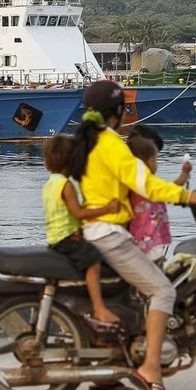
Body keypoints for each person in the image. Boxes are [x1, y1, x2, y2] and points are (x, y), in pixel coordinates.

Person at [72, 80, 196, 390]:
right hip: (109, 234)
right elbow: (149, 187)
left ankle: (109, 377)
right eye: (124, 108)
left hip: (98, 231)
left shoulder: (87, 141)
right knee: (163, 291)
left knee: (129, 299)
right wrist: (194, 196)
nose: (127, 113)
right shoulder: (111, 144)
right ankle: (150, 368)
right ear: (117, 111)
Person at [43, 135, 121, 327]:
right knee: (94, 261)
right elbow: (78, 213)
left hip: (54, 237)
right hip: (67, 239)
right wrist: (108, 209)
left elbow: (66, 211)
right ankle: (99, 307)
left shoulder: (50, 184)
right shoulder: (66, 185)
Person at [126, 125, 191, 264]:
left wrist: (184, 175)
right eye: (156, 158)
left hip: (146, 239)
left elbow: (167, 189)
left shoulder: (140, 182)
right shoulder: (142, 184)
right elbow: (167, 191)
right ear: (149, 161)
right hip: (146, 240)